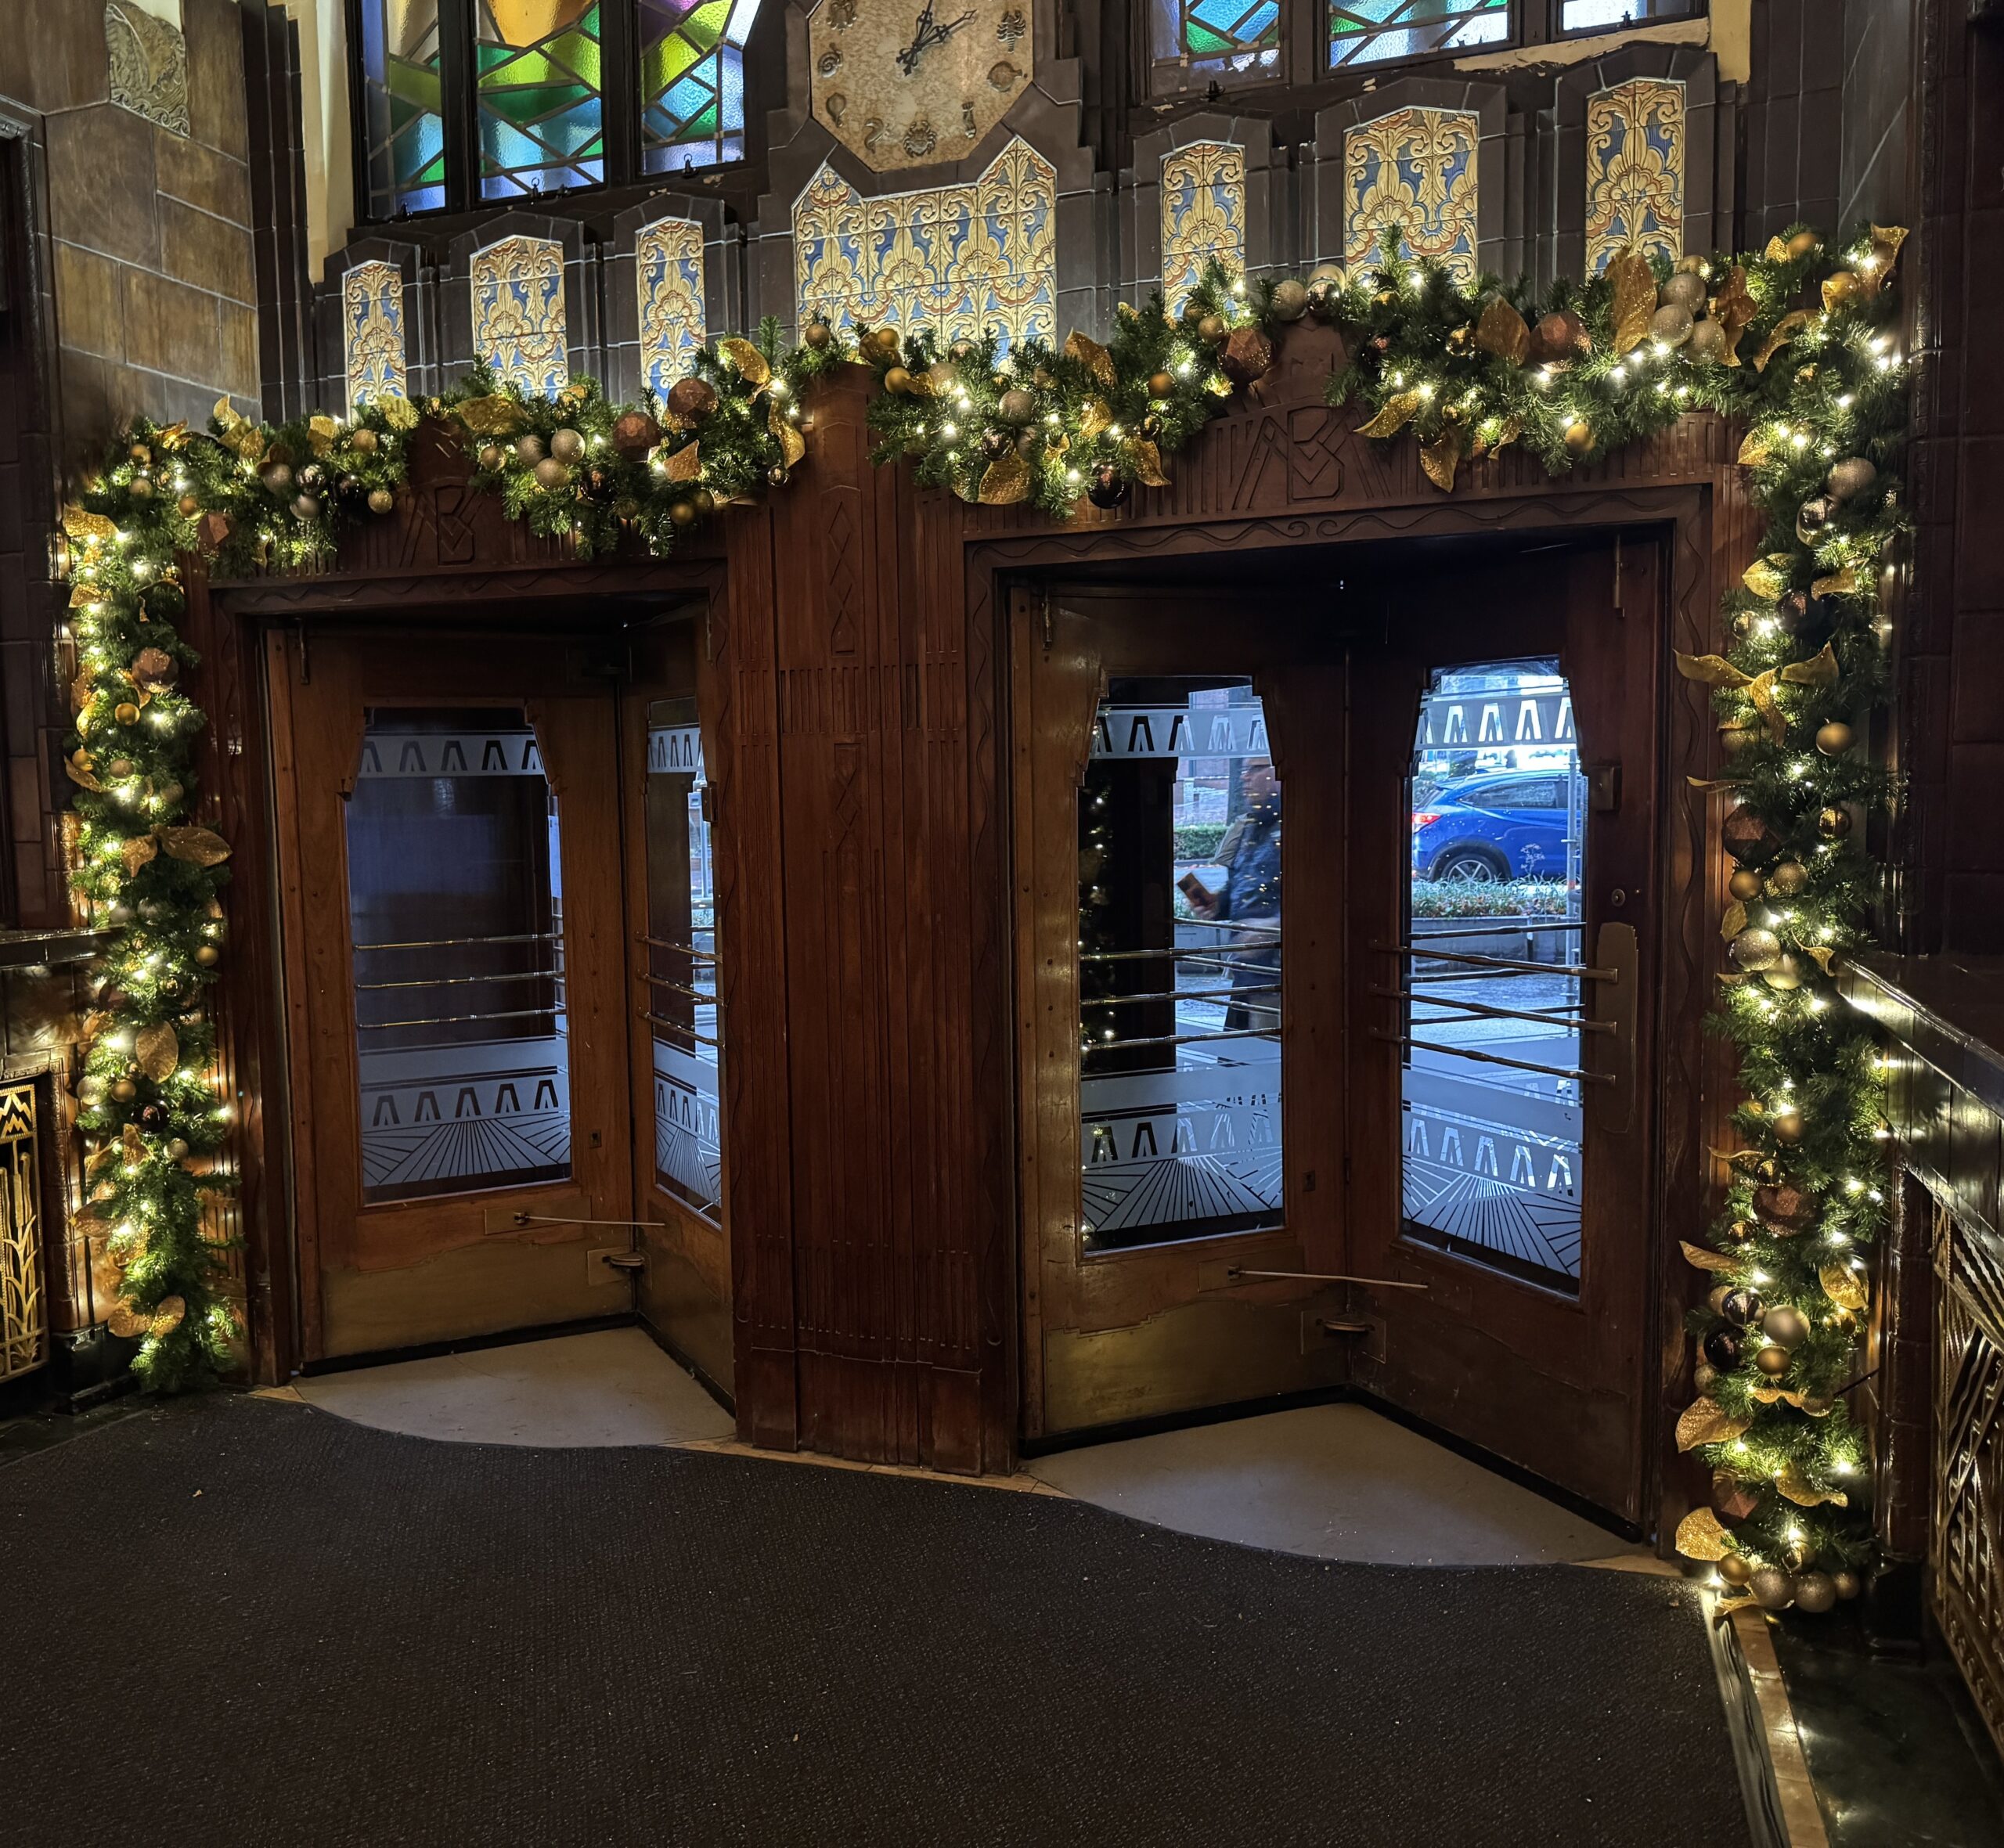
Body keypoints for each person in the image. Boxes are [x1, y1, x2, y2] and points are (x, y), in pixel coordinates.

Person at [1187, 755, 1281, 1033]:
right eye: (1244, 770)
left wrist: (1275, 928)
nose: (1244, 777)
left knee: (1269, 1064)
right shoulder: (1252, 825)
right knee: (1249, 1060)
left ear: (1279, 773)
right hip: (1251, 973)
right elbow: (1244, 880)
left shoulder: (1302, 826)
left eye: (1254, 769)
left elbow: (1321, 898)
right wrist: (1219, 904)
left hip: (1283, 974)